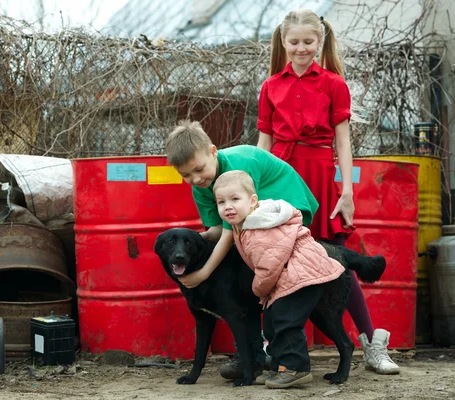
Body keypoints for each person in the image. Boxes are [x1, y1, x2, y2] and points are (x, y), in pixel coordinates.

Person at [256, 8, 399, 374]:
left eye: (308, 42)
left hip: (319, 174)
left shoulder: (335, 84)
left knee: (338, 261)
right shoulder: (270, 86)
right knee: (277, 261)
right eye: (294, 42)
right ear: (283, 42)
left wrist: (347, 191)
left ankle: (371, 344)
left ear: (319, 42)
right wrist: (254, 191)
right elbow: (263, 143)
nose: (301, 48)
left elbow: (344, 141)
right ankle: (272, 349)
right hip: (280, 178)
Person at [164, 119, 319, 378]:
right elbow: (215, 231)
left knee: (277, 278)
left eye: (199, 169)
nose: (195, 179)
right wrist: (187, 240)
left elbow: (228, 231)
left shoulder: (239, 164)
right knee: (240, 274)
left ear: (213, 152)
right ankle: (253, 355)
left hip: (286, 206)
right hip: (249, 219)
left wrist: (202, 274)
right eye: (185, 175)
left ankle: (285, 359)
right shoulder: (201, 187)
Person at [213, 170, 345, 388]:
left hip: (302, 274)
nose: (228, 206)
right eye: (221, 202)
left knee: (286, 321)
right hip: (290, 275)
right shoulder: (246, 225)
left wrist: (259, 290)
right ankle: (279, 368)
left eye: (235, 199)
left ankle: (296, 368)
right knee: (273, 322)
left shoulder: (258, 228)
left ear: (252, 201)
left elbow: (268, 267)